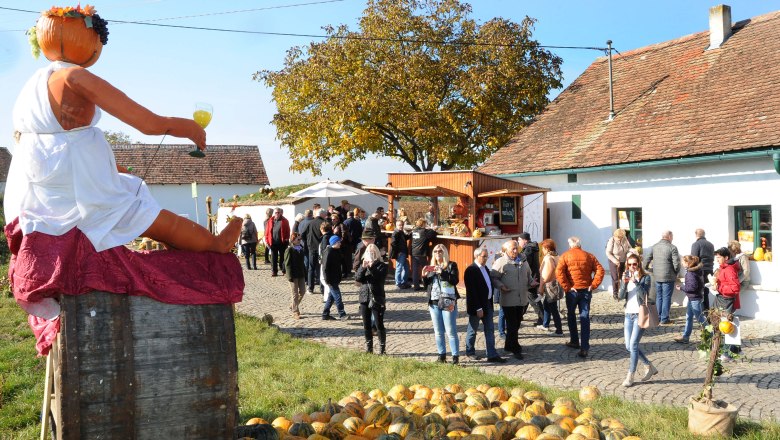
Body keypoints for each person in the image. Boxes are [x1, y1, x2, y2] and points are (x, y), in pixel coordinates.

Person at [5, 8, 243, 255]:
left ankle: (181, 242)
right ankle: (214, 243)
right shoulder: (75, 77)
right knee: (138, 211)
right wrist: (181, 126)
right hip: (73, 184)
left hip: (46, 179)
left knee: (128, 185)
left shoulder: (34, 83)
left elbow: (61, 141)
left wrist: (108, 168)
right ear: (88, 40)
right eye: (98, 38)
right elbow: (147, 123)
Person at [556, 236, 605, 358]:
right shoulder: (589, 256)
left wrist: (567, 286)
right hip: (585, 291)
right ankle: (584, 347)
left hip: (572, 291)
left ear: (570, 245)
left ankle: (574, 340)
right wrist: (593, 285)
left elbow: (559, 272)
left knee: (571, 315)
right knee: (584, 318)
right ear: (579, 245)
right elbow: (600, 270)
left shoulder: (565, 256)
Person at [618, 253, 658, 387]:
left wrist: (635, 281)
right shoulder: (626, 277)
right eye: (629, 264)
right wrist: (624, 283)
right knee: (628, 346)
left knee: (633, 344)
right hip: (628, 315)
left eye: (634, 264)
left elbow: (643, 294)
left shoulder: (645, 278)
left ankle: (630, 375)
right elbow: (620, 296)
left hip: (640, 314)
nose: (632, 267)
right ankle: (649, 365)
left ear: (639, 264)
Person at [491, 240, 533, 360]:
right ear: (506, 250)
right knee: (512, 325)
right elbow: (493, 278)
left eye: (516, 248)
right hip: (508, 298)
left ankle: (508, 345)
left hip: (522, 298)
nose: (515, 251)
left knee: (517, 322)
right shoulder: (500, 262)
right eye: (512, 249)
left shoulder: (523, 260)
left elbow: (528, 274)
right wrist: (501, 286)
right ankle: (515, 347)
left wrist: (531, 282)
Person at [464, 247, 506, 363]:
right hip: (477, 306)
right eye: (484, 256)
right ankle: (470, 351)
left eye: (487, 256)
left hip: (487, 304)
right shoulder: (471, 270)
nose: (486, 258)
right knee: (473, 329)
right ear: (476, 256)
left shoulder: (485, 268)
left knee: (490, 329)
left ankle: (491, 354)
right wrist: (478, 308)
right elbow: (472, 292)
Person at [424, 244, 460, 364]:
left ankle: (455, 357)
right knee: (438, 331)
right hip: (434, 302)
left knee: (450, 330)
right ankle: (442, 356)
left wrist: (442, 272)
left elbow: (455, 280)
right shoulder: (431, 267)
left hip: (448, 300)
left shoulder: (451, 265)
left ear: (445, 253)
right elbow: (427, 286)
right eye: (435, 251)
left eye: (440, 251)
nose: (437, 253)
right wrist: (424, 276)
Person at [356, 244, 388, 354]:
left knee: (379, 324)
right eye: (369, 252)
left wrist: (372, 266)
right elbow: (358, 279)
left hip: (377, 297)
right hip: (365, 296)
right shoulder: (363, 264)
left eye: (373, 252)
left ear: (377, 253)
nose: (371, 254)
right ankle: (369, 348)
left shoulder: (382, 265)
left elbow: (379, 278)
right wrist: (363, 267)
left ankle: (382, 349)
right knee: (366, 324)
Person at [643, 230, 680, 325]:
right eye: (672, 237)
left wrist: (646, 268)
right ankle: (664, 319)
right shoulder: (672, 247)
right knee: (666, 297)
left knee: (659, 297)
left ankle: (658, 317)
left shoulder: (654, 246)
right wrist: (676, 272)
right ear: (670, 237)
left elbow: (647, 259)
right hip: (668, 276)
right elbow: (676, 263)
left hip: (657, 276)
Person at [714, 247, 741, 359]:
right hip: (722, 299)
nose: (717, 260)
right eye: (716, 257)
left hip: (727, 301)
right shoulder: (723, 268)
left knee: (726, 326)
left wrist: (719, 288)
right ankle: (736, 350)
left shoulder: (729, 269)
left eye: (719, 257)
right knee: (728, 324)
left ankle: (727, 353)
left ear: (726, 257)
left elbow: (735, 288)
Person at [674, 255, 706, 343]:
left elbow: (692, 288)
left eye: (683, 262)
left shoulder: (690, 274)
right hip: (693, 298)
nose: (682, 263)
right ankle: (685, 337)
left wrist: (681, 288)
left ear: (688, 263)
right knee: (689, 317)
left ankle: (711, 336)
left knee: (700, 319)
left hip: (694, 299)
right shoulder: (695, 271)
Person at [538, 239, 563, 335]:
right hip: (555, 284)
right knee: (546, 305)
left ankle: (559, 330)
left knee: (553, 308)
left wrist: (541, 285)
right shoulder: (557, 256)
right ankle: (545, 325)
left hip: (550, 285)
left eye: (543, 248)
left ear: (547, 248)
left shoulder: (548, 258)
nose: (542, 250)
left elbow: (548, 272)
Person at [519, 232, 543, 327]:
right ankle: (519, 315)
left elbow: (524, 264)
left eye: (519, 240)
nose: (519, 242)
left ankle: (543, 318)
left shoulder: (528, 249)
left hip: (531, 278)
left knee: (532, 298)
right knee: (527, 297)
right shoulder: (532, 247)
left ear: (525, 240)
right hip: (533, 275)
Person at [322, 235, 348, 321]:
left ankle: (325, 314)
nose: (340, 243)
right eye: (338, 242)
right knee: (337, 296)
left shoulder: (337, 251)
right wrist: (327, 280)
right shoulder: (328, 252)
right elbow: (325, 267)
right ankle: (342, 314)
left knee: (331, 297)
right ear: (334, 243)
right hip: (331, 279)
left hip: (336, 278)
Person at [302, 209, 326, 293]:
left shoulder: (310, 223)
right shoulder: (324, 223)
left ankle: (310, 288)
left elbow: (302, 234)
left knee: (311, 268)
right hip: (321, 248)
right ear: (323, 215)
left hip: (311, 247)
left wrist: (308, 241)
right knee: (321, 268)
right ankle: (322, 289)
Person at [690, 228, 714, 312]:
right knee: (706, 290)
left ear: (696, 235)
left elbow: (693, 259)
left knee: (698, 291)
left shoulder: (696, 244)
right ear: (704, 234)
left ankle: (699, 310)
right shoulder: (711, 244)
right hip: (709, 269)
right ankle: (706, 309)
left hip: (700, 270)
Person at [284, 232, 306, 319]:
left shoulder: (301, 248)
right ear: (293, 240)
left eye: (300, 239)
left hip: (301, 274)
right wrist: (289, 276)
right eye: (298, 239)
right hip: (293, 275)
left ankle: (293, 305)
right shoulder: (289, 250)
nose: (300, 241)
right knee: (295, 294)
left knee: (303, 291)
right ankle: (295, 311)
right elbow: (287, 264)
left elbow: (302, 262)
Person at [411, 218, 438, 291]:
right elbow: (432, 235)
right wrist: (433, 229)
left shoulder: (414, 231)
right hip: (421, 253)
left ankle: (416, 286)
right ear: (423, 224)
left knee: (415, 270)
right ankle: (427, 285)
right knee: (427, 269)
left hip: (414, 252)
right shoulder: (424, 231)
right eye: (425, 224)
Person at [606, 228, 632, 300]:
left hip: (623, 260)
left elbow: (629, 247)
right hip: (614, 261)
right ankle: (615, 293)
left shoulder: (624, 238)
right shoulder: (612, 240)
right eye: (619, 238)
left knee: (623, 276)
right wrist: (615, 260)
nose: (620, 239)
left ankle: (623, 292)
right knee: (615, 278)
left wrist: (632, 252)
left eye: (621, 237)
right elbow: (608, 253)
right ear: (615, 236)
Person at [265, 208, 291, 277]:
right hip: (273, 242)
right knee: (273, 258)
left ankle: (283, 270)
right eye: (276, 212)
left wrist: (286, 239)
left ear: (281, 213)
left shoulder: (285, 221)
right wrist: (267, 240)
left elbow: (288, 231)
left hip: (282, 242)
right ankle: (274, 271)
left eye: (278, 212)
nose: (277, 214)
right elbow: (267, 231)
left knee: (282, 257)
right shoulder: (270, 221)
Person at [390, 220, 412, 289]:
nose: (401, 226)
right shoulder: (395, 233)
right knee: (399, 268)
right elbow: (393, 244)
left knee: (406, 267)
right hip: (400, 253)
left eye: (402, 225)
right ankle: (398, 283)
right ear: (396, 225)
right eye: (399, 225)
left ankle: (403, 282)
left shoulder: (401, 232)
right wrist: (397, 252)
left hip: (403, 252)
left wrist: (411, 233)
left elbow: (406, 237)